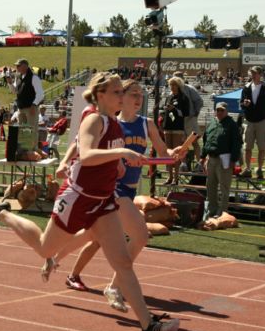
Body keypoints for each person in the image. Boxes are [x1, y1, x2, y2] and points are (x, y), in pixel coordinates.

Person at [0, 72, 180, 331]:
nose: (122, 96)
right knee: (44, 248)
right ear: (101, 95)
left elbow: (113, 165)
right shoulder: (95, 119)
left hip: (103, 200)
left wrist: (122, 165)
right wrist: (121, 154)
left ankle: (148, 324)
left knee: (122, 262)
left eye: (123, 92)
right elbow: (86, 155)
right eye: (117, 92)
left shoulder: (115, 125)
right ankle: (2, 212)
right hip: (78, 197)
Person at [48, 80, 187, 304]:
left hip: (129, 191)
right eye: (133, 94)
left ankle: (56, 259)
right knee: (140, 235)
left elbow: (163, 152)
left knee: (94, 236)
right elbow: (79, 144)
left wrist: (174, 154)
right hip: (112, 186)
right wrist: (64, 162)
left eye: (141, 94)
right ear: (121, 97)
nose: (138, 98)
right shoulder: (110, 122)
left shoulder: (147, 124)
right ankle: (114, 286)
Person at [201, 102, 242, 220]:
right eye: (217, 110)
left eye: (222, 110)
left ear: (226, 111)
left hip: (224, 159)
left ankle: (222, 212)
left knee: (224, 187)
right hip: (211, 158)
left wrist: (233, 160)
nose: (219, 112)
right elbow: (206, 141)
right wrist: (202, 156)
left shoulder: (232, 124)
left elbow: (236, 143)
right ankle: (212, 210)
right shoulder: (212, 123)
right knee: (210, 186)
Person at [240, 66, 265, 179]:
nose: (253, 75)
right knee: (247, 147)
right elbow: (241, 103)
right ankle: (248, 169)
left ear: (260, 74)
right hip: (249, 121)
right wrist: (245, 104)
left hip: (262, 121)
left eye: (255, 73)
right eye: (252, 73)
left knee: (262, 147)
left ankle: (259, 169)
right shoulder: (246, 87)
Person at [7, 58, 44, 156]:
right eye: (16, 66)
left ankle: (33, 150)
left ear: (25, 66)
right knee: (22, 130)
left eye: (18, 66)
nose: (16, 67)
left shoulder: (34, 77)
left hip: (31, 108)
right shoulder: (18, 77)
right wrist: (10, 83)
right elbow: (15, 91)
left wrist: (34, 104)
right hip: (21, 108)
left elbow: (40, 94)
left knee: (32, 129)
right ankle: (24, 151)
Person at [161, 76, 189, 184]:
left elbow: (186, 113)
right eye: (170, 85)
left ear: (179, 86)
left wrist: (175, 110)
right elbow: (164, 110)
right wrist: (164, 110)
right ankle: (169, 177)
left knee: (176, 153)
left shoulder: (183, 98)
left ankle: (176, 178)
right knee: (168, 153)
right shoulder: (168, 97)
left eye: (174, 85)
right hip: (167, 126)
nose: (172, 87)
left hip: (178, 127)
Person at [174, 71, 203, 166]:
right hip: (179, 120)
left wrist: (195, 114)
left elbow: (199, 101)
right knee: (182, 142)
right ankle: (184, 164)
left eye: (178, 78)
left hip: (190, 118)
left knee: (194, 141)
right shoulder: (173, 90)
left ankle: (199, 162)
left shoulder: (189, 89)